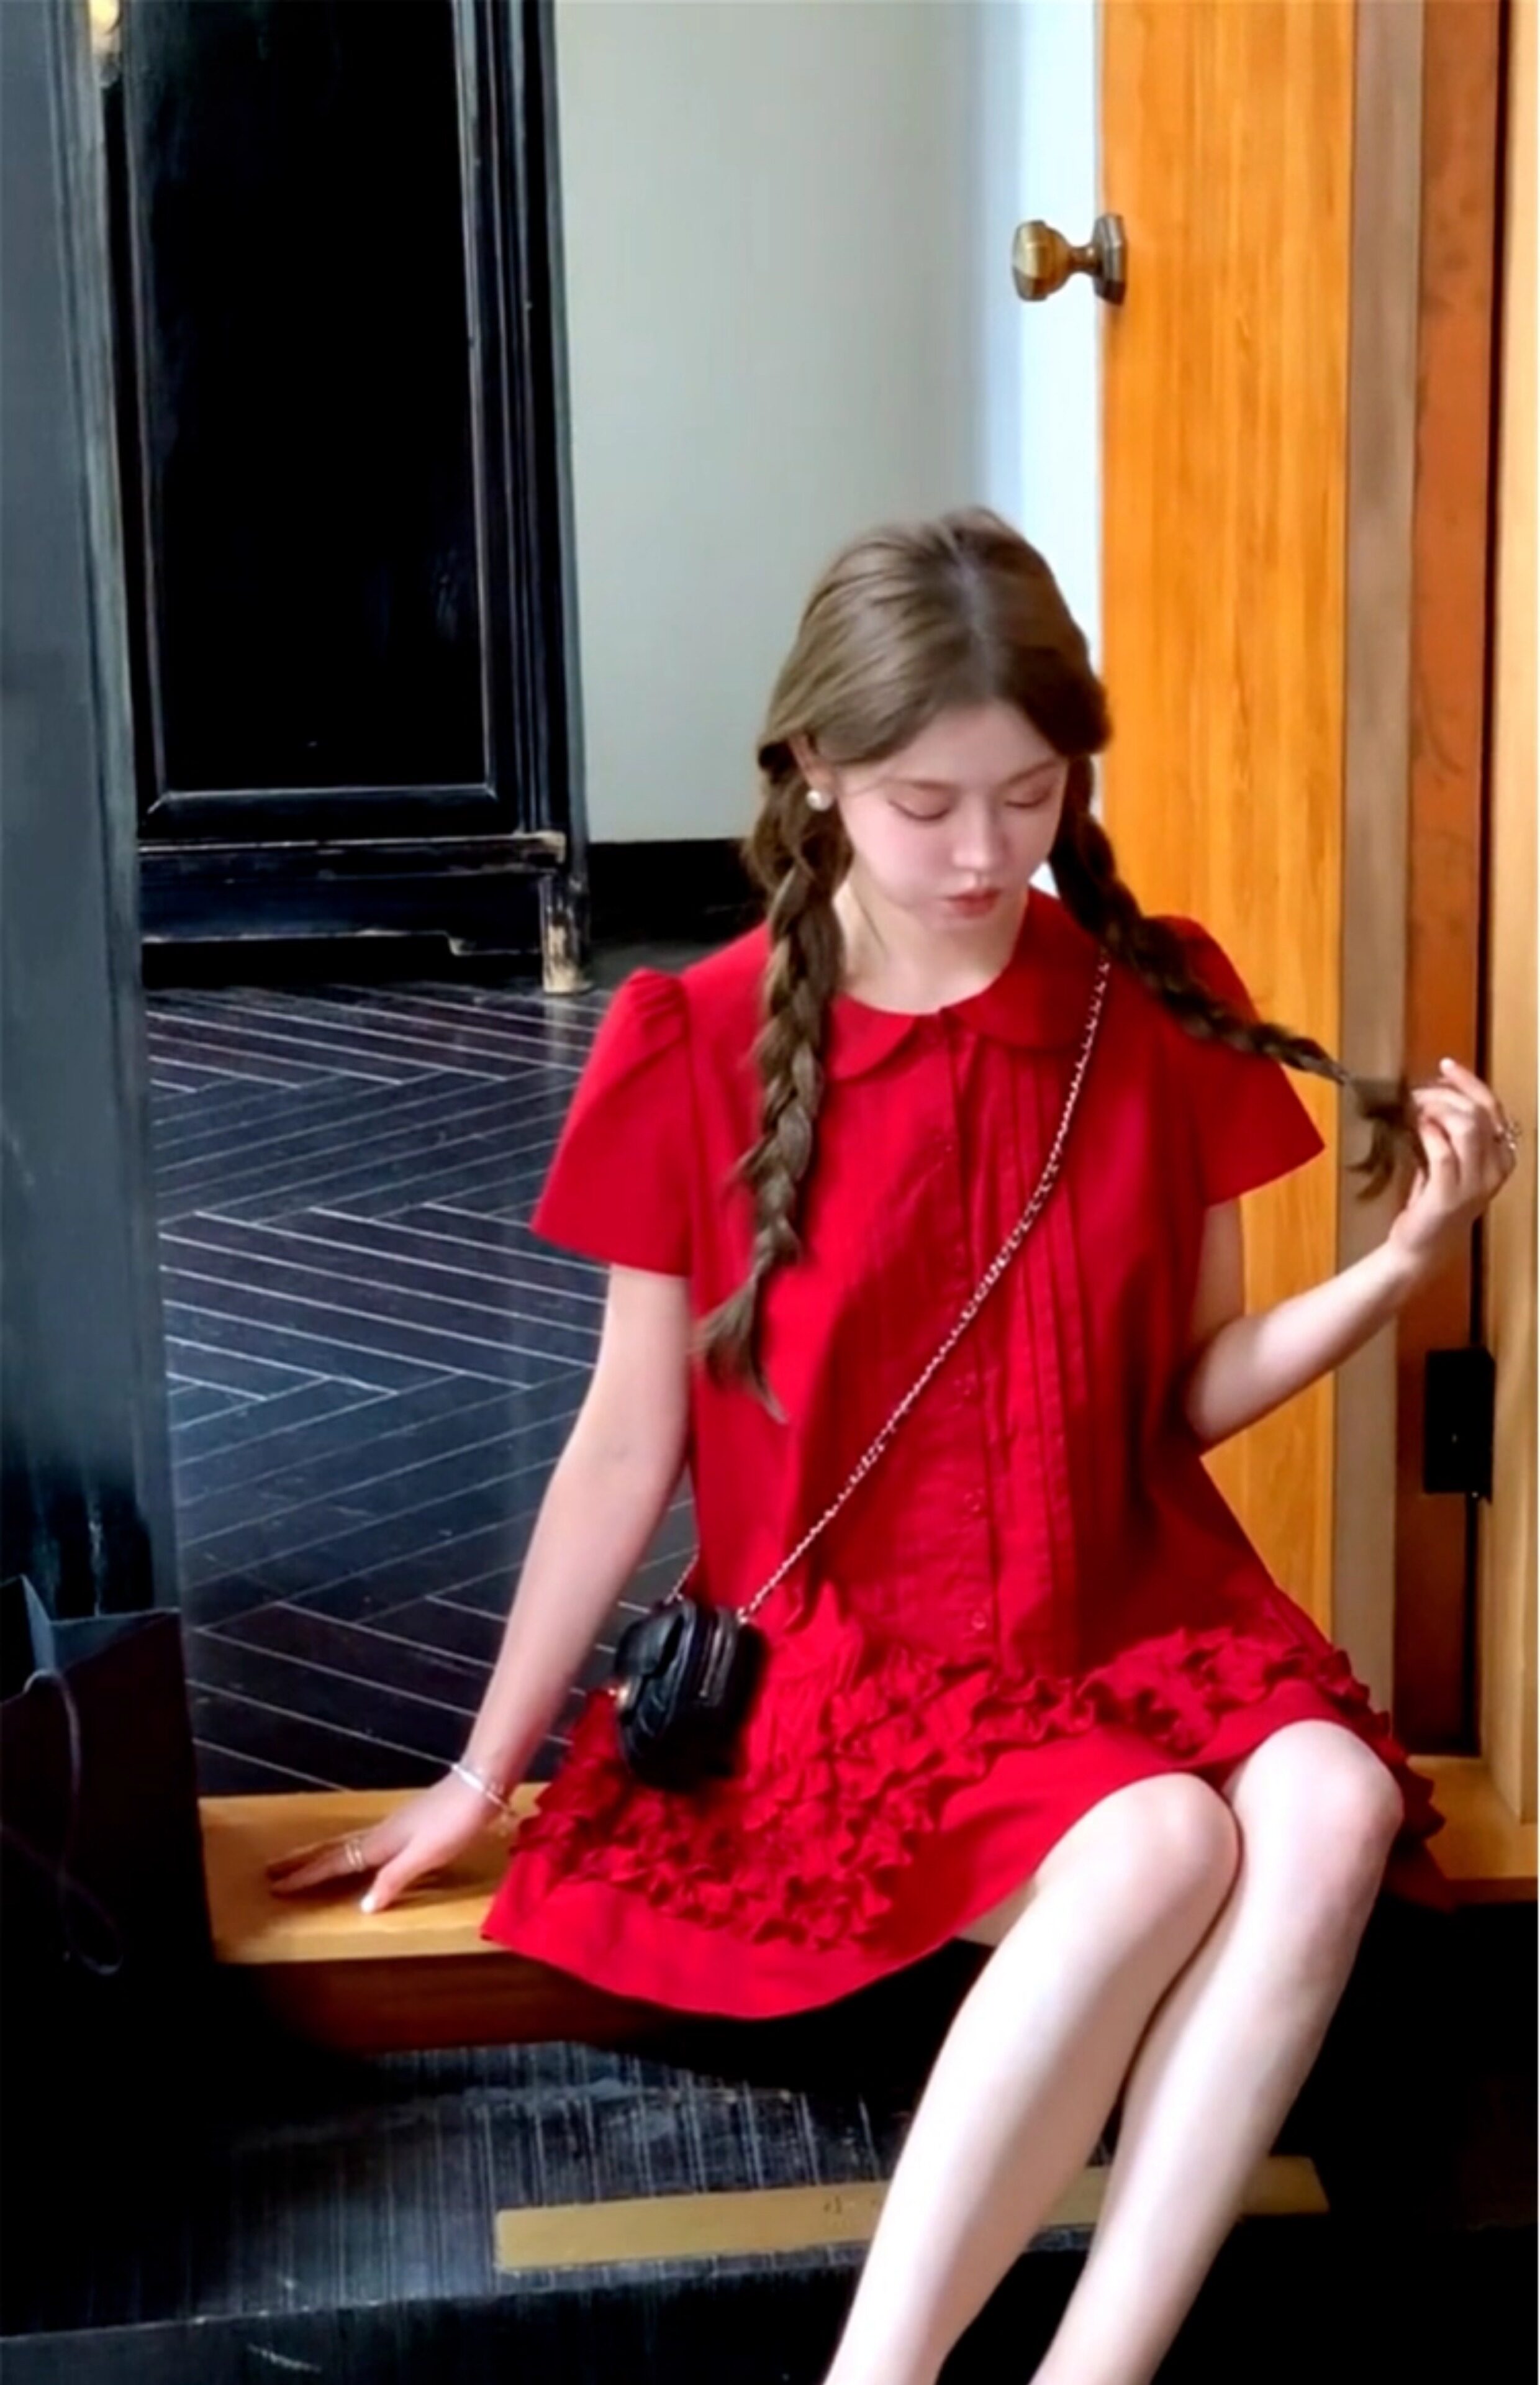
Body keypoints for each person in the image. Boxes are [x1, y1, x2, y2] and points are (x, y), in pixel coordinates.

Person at [269, 509, 1520, 2385]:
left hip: (1133, 1615)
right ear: (815, 771)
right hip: (856, 1675)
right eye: (928, 804)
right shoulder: (689, 1041)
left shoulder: (1147, 1001)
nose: (986, 853)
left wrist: (1405, 1264)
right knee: (1159, 1838)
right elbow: (624, 1444)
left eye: (1031, 796)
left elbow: (1187, 1394)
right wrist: (477, 1768)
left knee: (1332, 1806)